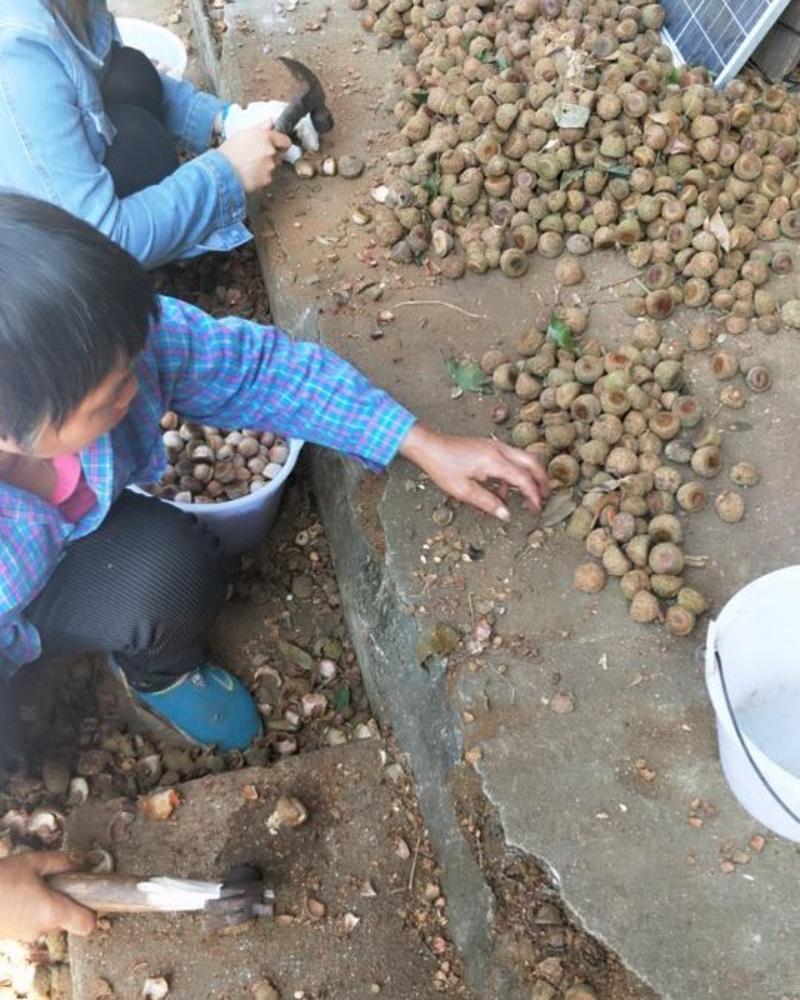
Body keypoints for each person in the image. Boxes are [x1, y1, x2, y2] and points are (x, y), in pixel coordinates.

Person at [0, 192, 550, 941]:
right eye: (109, 398)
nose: (139, 389)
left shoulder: (123, 352)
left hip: (52, 573)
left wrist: (415, 440)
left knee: (174, 568)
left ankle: (156, 673)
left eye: (134, 363)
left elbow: (260, 371)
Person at [0, 0, 319, 269]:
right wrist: (227, 173)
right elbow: (94, 240)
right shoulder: (18, 49)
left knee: (130, 72)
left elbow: (95, 77)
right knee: (143, 151)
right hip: (36, 271)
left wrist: (224, 119)